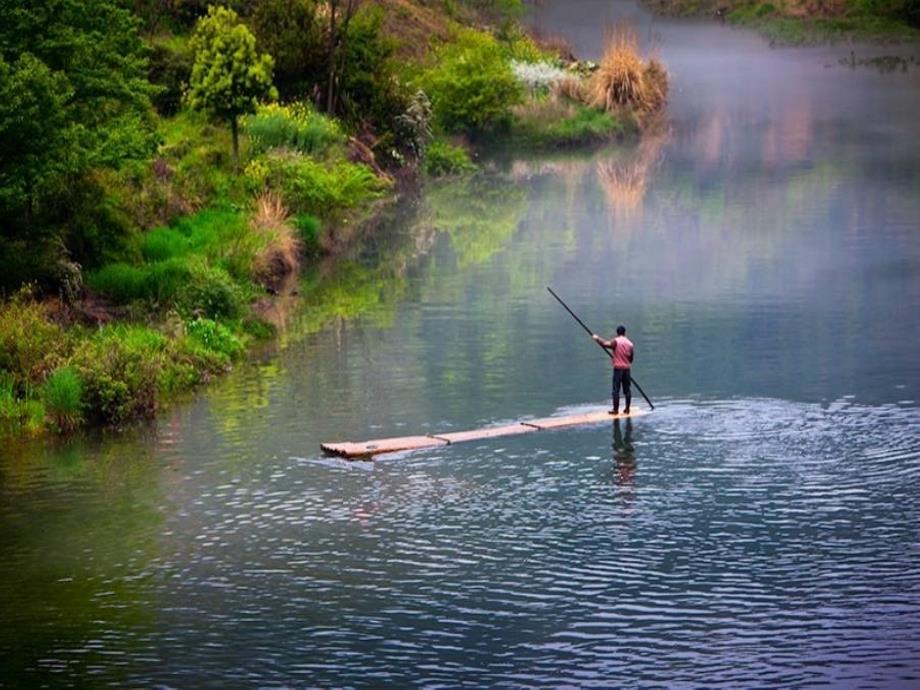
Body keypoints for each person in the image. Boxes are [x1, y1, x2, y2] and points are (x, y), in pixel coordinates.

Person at [592, 325, 634, 415]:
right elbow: (631, 359)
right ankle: (627, 409)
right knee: (627, 390)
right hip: (627, 369)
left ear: (617, 333)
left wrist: (597, 338)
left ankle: (615, 410)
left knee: (616, 390)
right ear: (625, 333)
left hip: (618, 369)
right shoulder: (630, 344)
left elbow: (605, 344)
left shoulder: (616, 341)